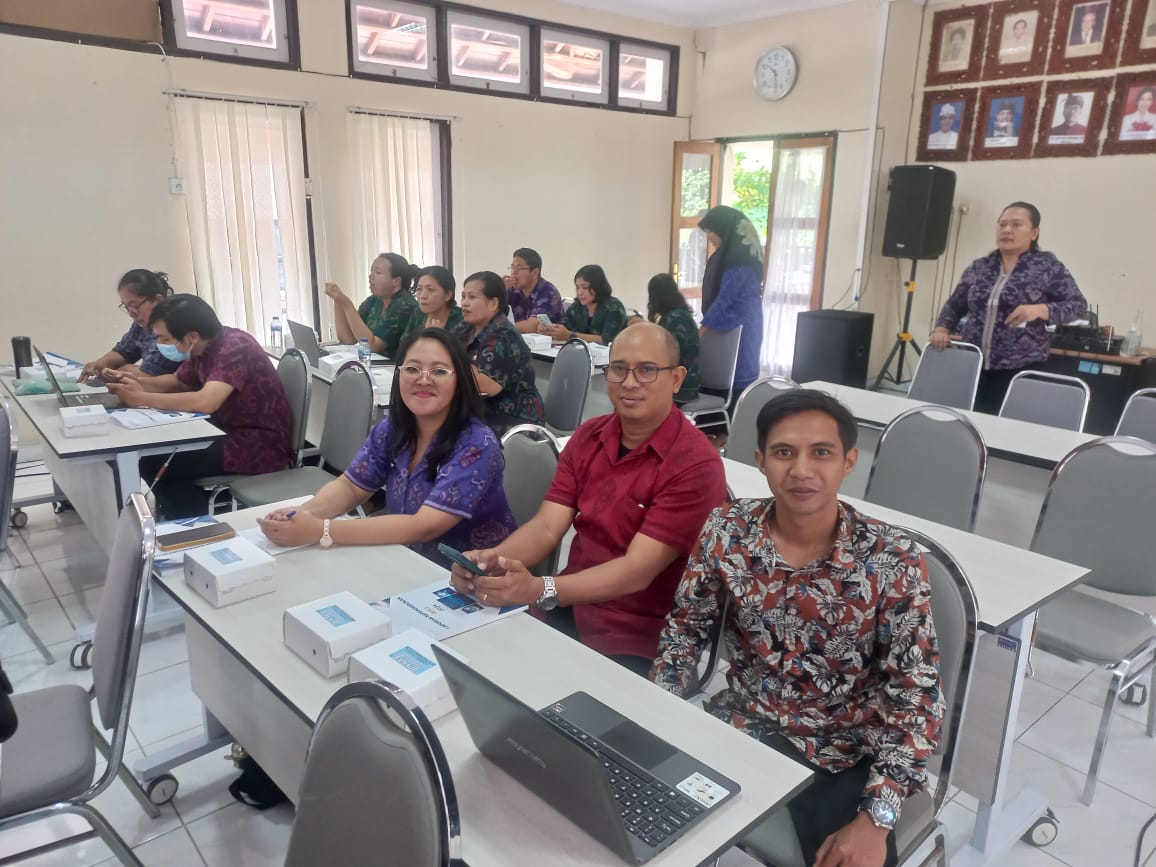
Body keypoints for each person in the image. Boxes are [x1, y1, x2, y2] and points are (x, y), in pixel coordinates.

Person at [652, 390, 943, 867]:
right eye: (784, 452)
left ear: (849, 462)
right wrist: (656, 710)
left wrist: (877, 818)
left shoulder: (891, 559)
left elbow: (918, 697)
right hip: (743, 726)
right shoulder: (727, 529)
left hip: (845, 750)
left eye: (821, 452)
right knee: (641, 817)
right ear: (761, 461)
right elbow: (685, 629)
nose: (801, 469)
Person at [447, 323, 727, 677]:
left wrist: (541, 588)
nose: (629, 382)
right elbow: (547, 527)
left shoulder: (695, 464)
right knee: (474, 667)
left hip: (641, 636)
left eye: (646, 370)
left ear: (676, 378)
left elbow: (637, 572)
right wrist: (493, 562)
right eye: (619, 368)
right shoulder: (589, 436)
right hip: (571, 605)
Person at [257, 329, 516, 568]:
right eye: (412, 369)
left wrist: (320, 530)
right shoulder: (394, 428)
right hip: (406, 561)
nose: (423, 379)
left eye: (439, 371)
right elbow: (351, 487)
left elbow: (424, 526)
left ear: (459, 382)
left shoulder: (476, 443)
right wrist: (302, 514)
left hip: (473, 579)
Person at [105, 294, 293, 519]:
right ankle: (185, 517)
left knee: (157, 462)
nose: (160, 344)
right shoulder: (201, 348)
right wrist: (134, 382)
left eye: (164, 339)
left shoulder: (235, 347)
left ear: (191, 336)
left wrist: (141, 399)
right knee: (155, 456)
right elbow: (178, 382)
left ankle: (196, 526)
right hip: (223, 430)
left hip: (257, 442)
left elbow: (205, 402)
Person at [929, 202, 1087, 414]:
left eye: (1016, 224)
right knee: (966, 421)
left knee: (1006, 427)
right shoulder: (980, 267)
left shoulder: (1048, 268)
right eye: (1002, 224)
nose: (1007, 230)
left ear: (1034, 233)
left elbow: (1078, 306)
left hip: (1021, 369)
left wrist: (1040, 310)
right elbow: (955, 304)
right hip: (972, 363)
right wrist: (941, 329)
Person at [457, 270, 545, 435]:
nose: (464, 303)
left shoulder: (503, 334)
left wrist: (451, 359)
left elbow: (486, 386)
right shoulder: (466, 327)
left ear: (493, 303)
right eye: (463, 297)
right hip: (480, 409)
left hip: (512, 418)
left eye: (472, 297)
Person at [699, 205, 765, 397]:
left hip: (739, 330)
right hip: (726, 327)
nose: (709, 236)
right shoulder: (727, 255)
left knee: (734, 383)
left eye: (710, 231)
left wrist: (701, 332)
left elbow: (725, 300)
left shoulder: (739, 260)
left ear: (723, 229)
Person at [81, 269, 180, 382]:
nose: (131, 313)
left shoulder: (175, 323)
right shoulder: (142, 323)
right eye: (126, 306)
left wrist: (121, 371)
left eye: (135, 305)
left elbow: (153, 375)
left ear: (158, 300)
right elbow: (124, 352)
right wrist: (99, 364)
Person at [324, 253, 420, 359]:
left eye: (378, 272)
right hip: (373, 364)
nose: (371, 277)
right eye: (371, 271)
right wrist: (338, 301)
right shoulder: (374, 300)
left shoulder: (404, 305)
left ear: (396, 281)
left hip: (394, 366)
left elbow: (372, 346)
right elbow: (348, 339)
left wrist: (347, 305)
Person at [627, 273, 700, 405]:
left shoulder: (677, 319)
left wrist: (645, 328)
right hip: (676, 381)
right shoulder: (673, 317)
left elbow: (666, 353)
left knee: (630, 392)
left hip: (681, 386)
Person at [545, 264, 628, 345]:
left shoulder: (613, 307)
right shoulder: (576, 307)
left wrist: (570, 335)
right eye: (577, 287)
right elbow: (563, 327)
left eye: (584, 287)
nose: (579, 292)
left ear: (598, 287)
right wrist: (549, 330)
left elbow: (606, 341)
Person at [505, 247, 565, 333]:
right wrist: (500, 290)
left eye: (519, 268)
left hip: (548, 340)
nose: (514, 272)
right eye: (513, 268)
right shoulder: (512, 289)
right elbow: (491, 312)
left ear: (535, 273)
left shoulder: (548, 292)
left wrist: (502, 328)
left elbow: (532, 326)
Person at [401, 266, 464, 343]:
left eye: (430, 289)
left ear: (447, 295)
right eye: (419, 289)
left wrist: (439, 337)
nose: (423, 296)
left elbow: (460, 350)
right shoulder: (418, 312)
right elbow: (404, 344)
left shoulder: (462, 320)